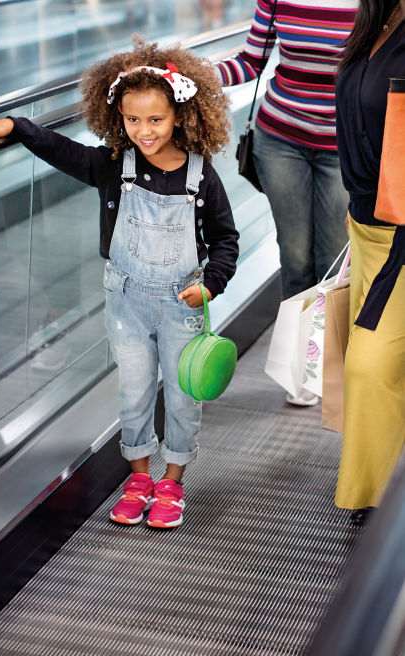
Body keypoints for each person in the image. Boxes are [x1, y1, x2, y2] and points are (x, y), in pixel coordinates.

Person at [0, 39, 239, 529]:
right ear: (119, 118)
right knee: (133, 391)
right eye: (133, 121)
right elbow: (61, 149)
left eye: (155, 120)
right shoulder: (114, 165)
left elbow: (225, 240)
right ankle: (139, 479)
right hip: (126, 302)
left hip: (182, 303)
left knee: (182, 396)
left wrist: (210, 286)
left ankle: (172, 480)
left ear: (179, 115)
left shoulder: (203, 176)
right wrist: (18, 126)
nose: (144, 131)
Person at [215, 0, 357, 406]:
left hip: (344, 145)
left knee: (332, 258)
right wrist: (190, 74)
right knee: (295, 257)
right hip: (280, 139)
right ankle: (301, 368)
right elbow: (250, 61)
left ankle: (323, 364)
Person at [334, 0, 405, 524]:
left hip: (402, 235)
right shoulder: (374, 21)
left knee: (370, 365)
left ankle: (380, 504)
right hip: (366, 227)